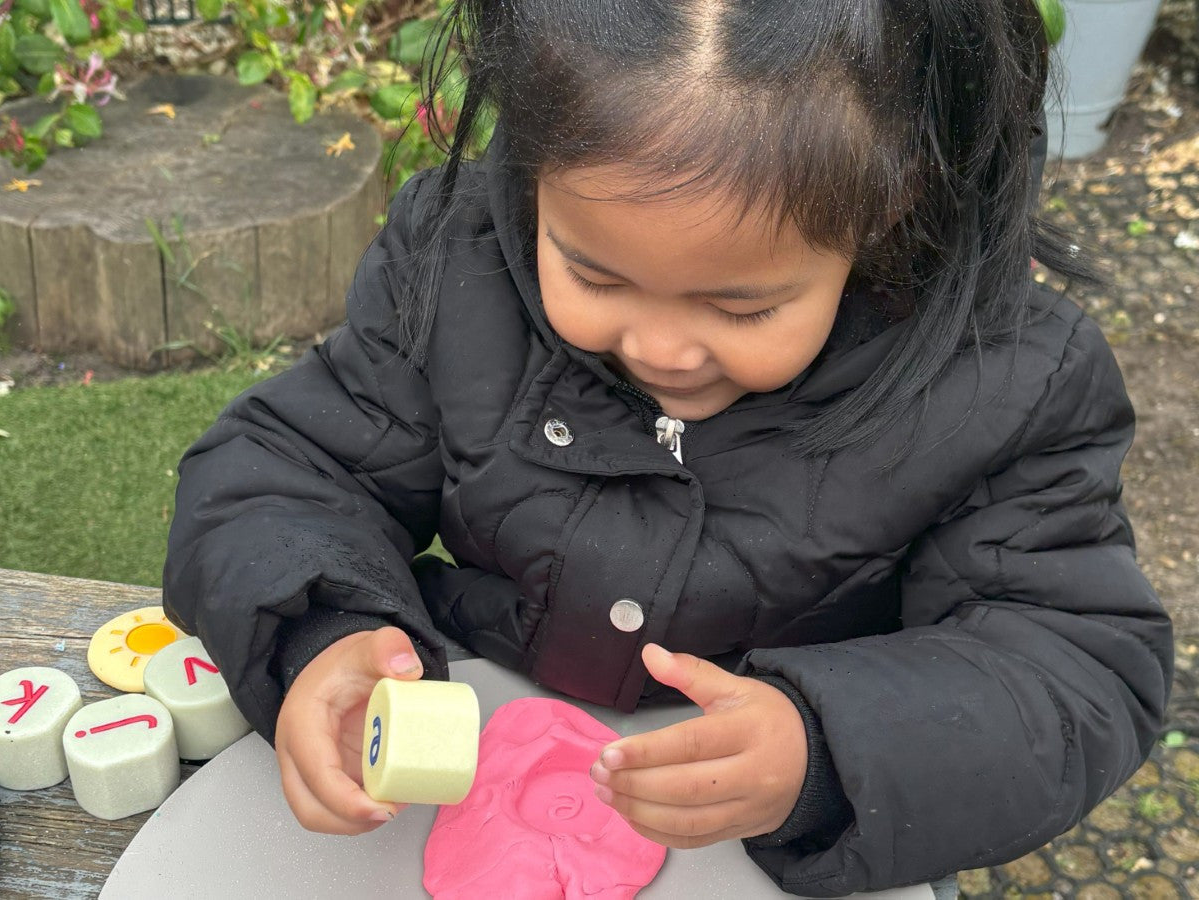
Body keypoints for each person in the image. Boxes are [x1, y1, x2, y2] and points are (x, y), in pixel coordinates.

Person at [163, 0, 1173, 894]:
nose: (658, 347)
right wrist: (320, 632)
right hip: (470, 750)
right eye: (594, 277)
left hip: (805, 841)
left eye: (743, 304)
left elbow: (1072, 667)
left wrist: (827, 747)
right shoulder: (456, 261)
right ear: (534, 164)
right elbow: (288, 471)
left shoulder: (1006, 382)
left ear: (891, 198)